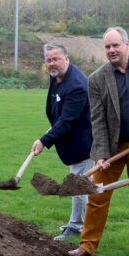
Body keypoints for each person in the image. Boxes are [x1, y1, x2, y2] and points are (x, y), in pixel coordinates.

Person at [67, 26, 129, 256]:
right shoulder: (97, 79)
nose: (111, 50)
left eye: (115, 45)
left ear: (127, 45)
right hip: (113, 147)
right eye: (107, 47)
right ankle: (87, 245)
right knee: (98, 195)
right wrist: (100, 154)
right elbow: (98, 120)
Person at [32, 43, 94, 241]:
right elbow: (59, 113)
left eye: (56, 59)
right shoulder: (58, 77)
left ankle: (77, 226)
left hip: (84, 143)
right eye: (48, 60)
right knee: (78, 181)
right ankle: (77, 222)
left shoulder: (77, 85)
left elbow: (67, 120)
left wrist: (44, 141)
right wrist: (50, 132)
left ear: (66, 59)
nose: (52, 63)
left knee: (78, 185)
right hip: (73, 139)